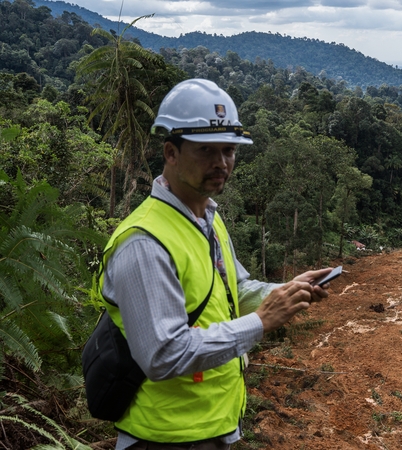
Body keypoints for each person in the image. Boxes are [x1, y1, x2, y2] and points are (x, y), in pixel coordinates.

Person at [96, 78, 333, 449]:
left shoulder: (209, 218)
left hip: (216, 427)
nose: (221, 162)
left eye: (229, 150)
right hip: (165, 438)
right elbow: (163, 355)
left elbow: (233, 291)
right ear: (171, 152)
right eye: (207, 150)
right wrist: (260, 322)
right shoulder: (143, 242)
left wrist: (284, 292)